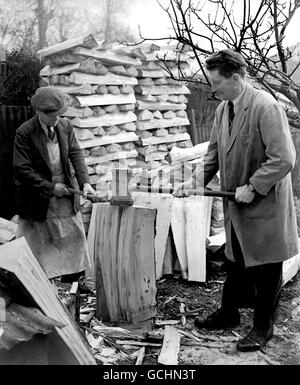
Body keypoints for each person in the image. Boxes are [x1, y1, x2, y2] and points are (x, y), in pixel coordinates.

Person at [174, 49, 299, 352]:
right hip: (237, 207)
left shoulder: (266, 107)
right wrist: (193, 183)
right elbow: (214, 154)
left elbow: (283, 158)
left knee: (267, 268)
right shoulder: (223, 109)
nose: (213, 89)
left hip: (263, 205)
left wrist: (254, 186)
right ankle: (229, 313)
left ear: (237, 77)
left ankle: (262, 327)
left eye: (217, 83)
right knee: (237, 261)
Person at [13, 86, 96, 288]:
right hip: (38, 196)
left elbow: (76, 154)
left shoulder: (65, 126)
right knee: (38, 245)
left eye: (60, 115)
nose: (57, 120)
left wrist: (85, 183)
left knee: (74, 239)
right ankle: (40, 288)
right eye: (53, 116)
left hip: (66, 194)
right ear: (40, 112)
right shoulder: (25, 132)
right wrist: (51, 188)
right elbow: (21, 168)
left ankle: (72, 286)